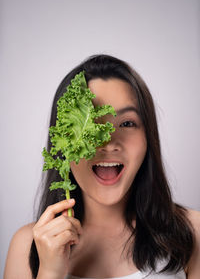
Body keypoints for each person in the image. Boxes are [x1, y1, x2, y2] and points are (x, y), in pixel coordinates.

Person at [4, 55, 200, 279]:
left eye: (127, 123)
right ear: (64, 141)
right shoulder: (27, 244)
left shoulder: (192, 231)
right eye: (92, 126)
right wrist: (50, 272)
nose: (109, 142)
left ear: (148, 137)